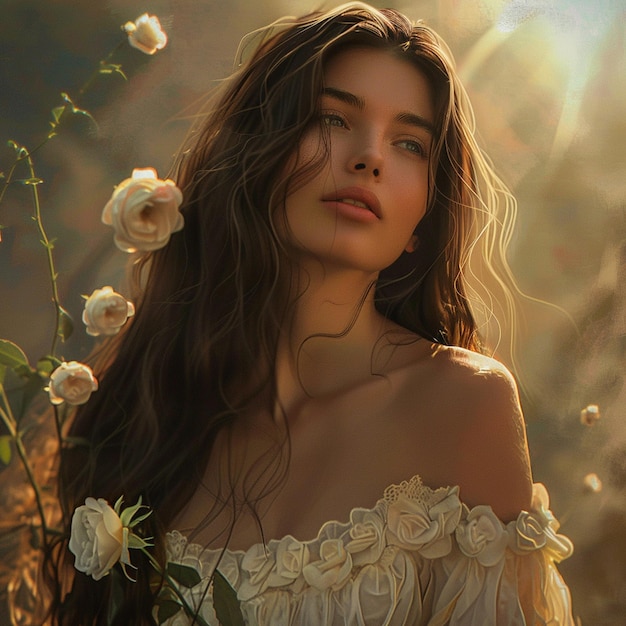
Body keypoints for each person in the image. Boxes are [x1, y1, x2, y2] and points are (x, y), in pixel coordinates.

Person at [48, 3, 575, 624]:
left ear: (421, 223)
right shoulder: (149, 414)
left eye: (409, 143)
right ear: (258, 149)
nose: (370, 157)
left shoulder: (464, 405)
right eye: (333, 117)